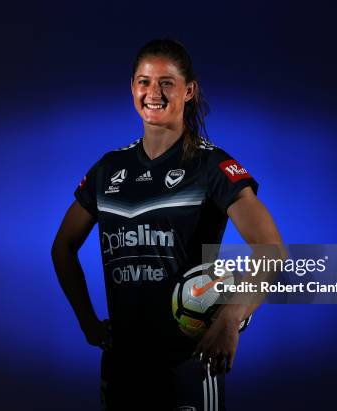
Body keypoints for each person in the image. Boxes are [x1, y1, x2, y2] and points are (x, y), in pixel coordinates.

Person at [51, 39, 283, 411]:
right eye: (144, 82)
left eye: (166, 82)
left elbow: (271, 250)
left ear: (189, 91)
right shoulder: (108, 169)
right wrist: (88, 324)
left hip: (188, 366)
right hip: (121, 366)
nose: (153, 93)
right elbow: (62, 248)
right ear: (132, 88)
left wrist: (229, 318)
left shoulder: (212, 167)